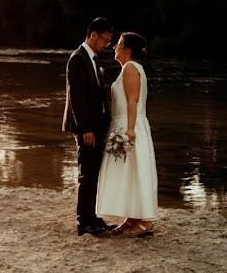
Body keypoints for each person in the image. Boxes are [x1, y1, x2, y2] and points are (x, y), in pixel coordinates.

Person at [96, 32, 159, 237]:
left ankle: (145, 222)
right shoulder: (127, 68)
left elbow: (133, 101)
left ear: (128, 50)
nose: (115, 46)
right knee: (128, 173)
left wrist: (130, 131)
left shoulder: (131, 68)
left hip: (129, 126)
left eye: (119, 44)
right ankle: (132, 218)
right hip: (124, 124)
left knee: (134, 172)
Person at [62, 17, 118, 236]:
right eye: (105, 40)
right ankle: (83, 222)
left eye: (110, 41)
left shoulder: (93, 59)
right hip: (85, 128)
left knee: (94, 173)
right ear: (93, 34)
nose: (107, 45)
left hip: (96, 126)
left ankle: (93, 217)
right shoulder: (78, 58)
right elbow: (76, 98)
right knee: (87, 174)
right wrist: (85, 129)